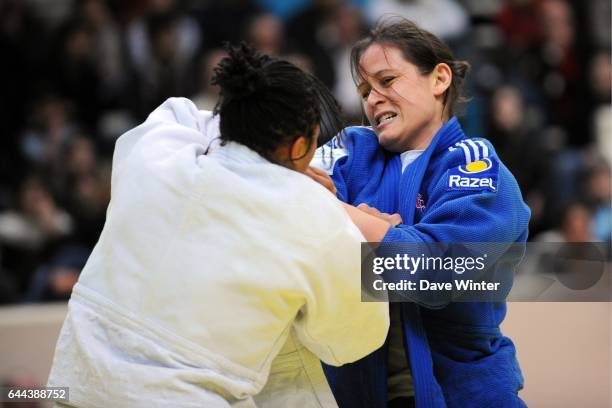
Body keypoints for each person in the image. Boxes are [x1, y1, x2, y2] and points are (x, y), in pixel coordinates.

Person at [47, 43, 389, 407]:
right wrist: (365, 232)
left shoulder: (158, 155)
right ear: (299, 146)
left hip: (77, 388)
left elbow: (182, 113)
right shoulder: (317, 216)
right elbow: (351, 341)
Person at [311, 19, 531, 408]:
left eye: (387, 80)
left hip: (466, 396)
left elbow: (436, 271)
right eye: (365, 90)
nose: (373, 99)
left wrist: (349, 223)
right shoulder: (351, 149)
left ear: (439, 79)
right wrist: (377, 230)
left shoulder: (476, 163)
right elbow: (291, 212)